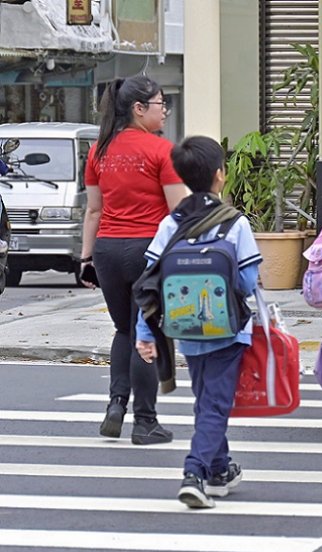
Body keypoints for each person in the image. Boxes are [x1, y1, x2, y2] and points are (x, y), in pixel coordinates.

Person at [135, 136, 262, 509]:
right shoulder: (235, 223)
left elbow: (150, 283)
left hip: (185, 330)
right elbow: (247, 282)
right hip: (228, 331)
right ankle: (195, 473)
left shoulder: (170, 223)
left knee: (207, 400)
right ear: (220, 175)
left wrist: (145, 333)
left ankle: (220, 469)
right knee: (215, 404)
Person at [81, 75, 188, 444]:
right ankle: (145, 422)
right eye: (160, 104)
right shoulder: (162, 151)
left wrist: (85, 259)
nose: (165, 111)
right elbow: (177, 212)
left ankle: (116, 404)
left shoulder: (99, 151)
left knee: (124, 330)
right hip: (148, 252)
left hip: (107, 250)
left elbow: (94, 210)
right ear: (139, 109)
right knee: (147, 331)